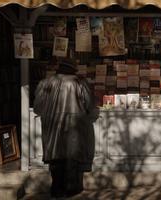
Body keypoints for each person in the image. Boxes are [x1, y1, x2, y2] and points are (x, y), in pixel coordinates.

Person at [33, 59, 96, 198]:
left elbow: (37, 108)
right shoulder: (79, 83)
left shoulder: (45, 83)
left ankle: (56, 189)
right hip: (74, 125)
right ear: (73, 69)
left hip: (52, 127)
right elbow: (90, 106)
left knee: (56, 158)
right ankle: (71, 189)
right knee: (71, 156)